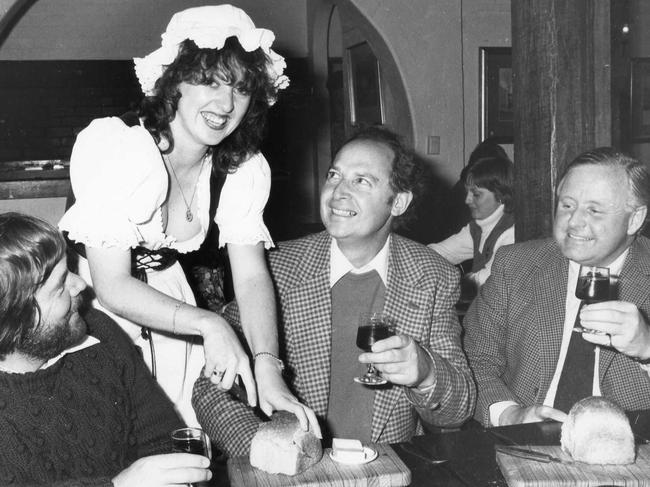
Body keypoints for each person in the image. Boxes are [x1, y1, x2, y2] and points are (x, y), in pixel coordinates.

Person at [59, 5, 318, 433]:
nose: (225, 103)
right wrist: (210, 324)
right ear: (172, 83)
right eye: (207, 81)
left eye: (240, 88)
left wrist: (268, 363)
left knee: (182, 441)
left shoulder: (240, 168)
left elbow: (251, 276)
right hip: (96, 310)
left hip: (173, 306)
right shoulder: (119, 147)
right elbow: (112, 285)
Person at [192, 127, 476, 456]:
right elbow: (210, 389)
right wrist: (268, 451)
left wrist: (426, 373)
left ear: (398, 202)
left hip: (386, 472)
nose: (338, 192)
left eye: (361, 181)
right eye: (334, 175)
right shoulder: (277, 268)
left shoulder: (433, 276)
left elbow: (460, 407)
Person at [0, 212, 212, 486]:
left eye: (71, 271)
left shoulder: (98, 331)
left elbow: (163, 438)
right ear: (17, 318)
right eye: (60, 285)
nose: (80, 285)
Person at [464, 147, 650, 427]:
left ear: (634, 219)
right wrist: (509, 413)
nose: (574, 222)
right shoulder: (515, 265)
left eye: (594, 210)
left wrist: (647, 348)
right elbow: (474, 360)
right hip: (527, 445)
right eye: (567, 205)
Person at [428, 155, 514, 290]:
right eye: (467, 192)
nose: (467, 200)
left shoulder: (510, 233)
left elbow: (485, 281)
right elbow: (440, 252)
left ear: (501, 196)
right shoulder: (477, 228)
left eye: (476, 194)